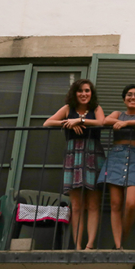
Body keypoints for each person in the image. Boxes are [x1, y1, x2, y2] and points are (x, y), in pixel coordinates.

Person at [44, 79, 105, 250]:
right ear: (74, 93)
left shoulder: (96, 109)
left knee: (93, 203)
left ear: (91, 93)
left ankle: (90, 244)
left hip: (93, 154)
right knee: (77, 205)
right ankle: (77, 245)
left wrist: (80, 121)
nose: (84, 94)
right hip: (74, 155)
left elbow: (101, 122)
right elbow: (47, 122)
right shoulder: (67, 109)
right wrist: (67, 123)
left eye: (87, 90)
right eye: (80, 91)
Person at [99, 84, 135, 249]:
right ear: (124, 99)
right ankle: (118, 246)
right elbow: (105, 120)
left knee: (131, 203)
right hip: (116, 156)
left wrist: (126, 125)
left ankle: (122, 239)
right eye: (129, 95)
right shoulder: (118, 114)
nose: (133, 97)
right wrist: (120, 121)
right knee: (116, 204)